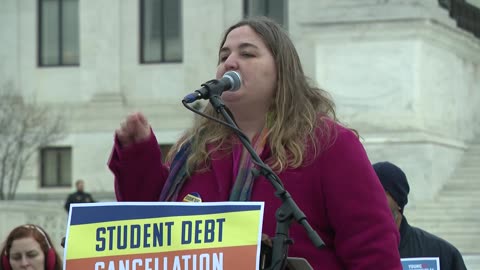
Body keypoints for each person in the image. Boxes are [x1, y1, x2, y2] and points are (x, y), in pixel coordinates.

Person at [108, 16, 402, 269]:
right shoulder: (195, 151)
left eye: (247, 54)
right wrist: (137, 155)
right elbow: (147, 231)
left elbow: (373, 249)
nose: (230, 62)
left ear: (281, 71)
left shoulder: (330, 145)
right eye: (223, 56)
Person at [373, 161, 468, 270]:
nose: (370, 201)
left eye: (378, 192)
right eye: (365, 193)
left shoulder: (439, 253)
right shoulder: (351, 253)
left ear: (398, 201)